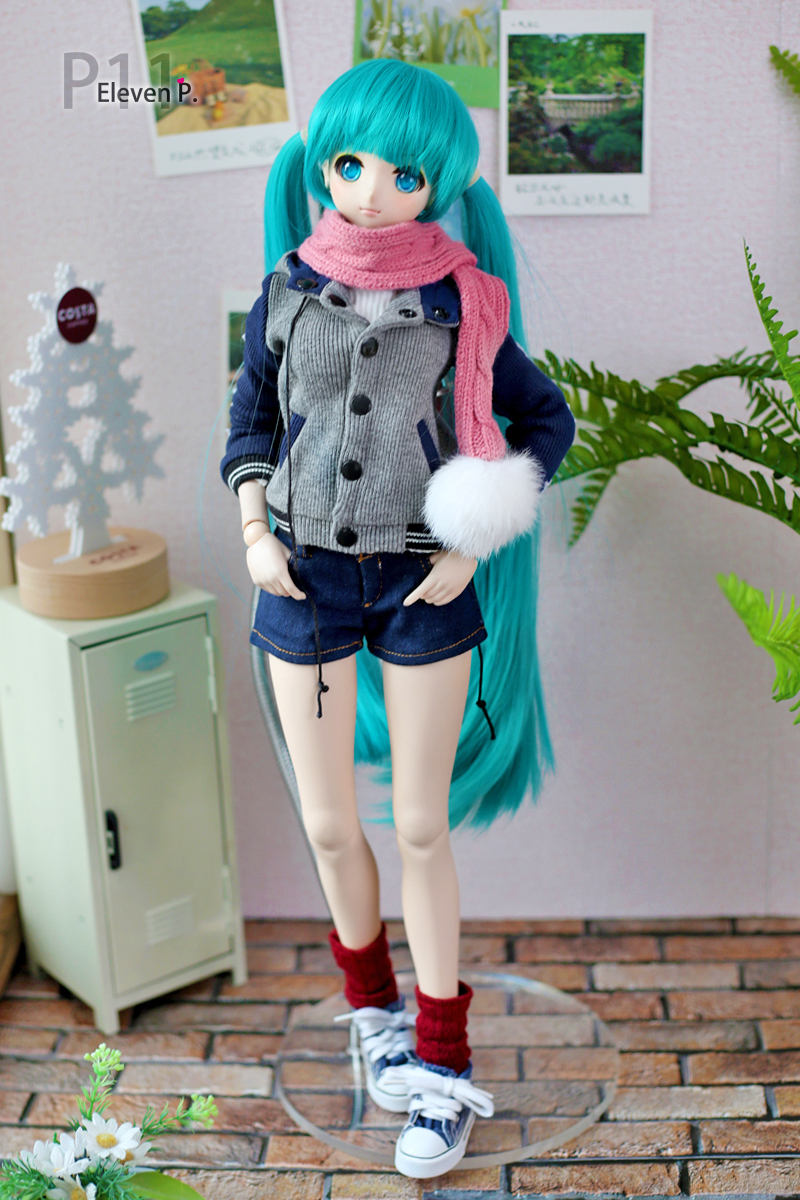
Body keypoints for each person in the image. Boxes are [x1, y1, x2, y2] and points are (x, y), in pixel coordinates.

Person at [221, 58, 575, 1179]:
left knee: (420, 826)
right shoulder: (285, 289)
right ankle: (373, 1013)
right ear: (321, 166)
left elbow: (544, 420)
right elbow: (249, 421)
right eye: (349, 164)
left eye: (403, 174)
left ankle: (441, 1057)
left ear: (440, 185)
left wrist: (472, 538)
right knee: (330, 824)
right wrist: (254, 532)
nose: (370, 191)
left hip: (421, 583)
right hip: (303, 578)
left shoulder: (465, 301)